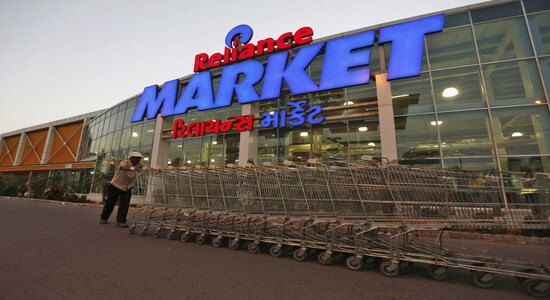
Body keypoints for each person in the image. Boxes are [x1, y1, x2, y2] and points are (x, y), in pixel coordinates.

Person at [100, 151, 144, 227]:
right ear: (131, 158)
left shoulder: (139, 164)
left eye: (139, 158)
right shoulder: (125, 162)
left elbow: (145, 167)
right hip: (116, 185)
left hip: (128, 187)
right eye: (136, 158)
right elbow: (123, 167)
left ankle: (121, 221)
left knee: (125, 204)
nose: (138, 160)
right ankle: (104, 218)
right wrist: (135, 168)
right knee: (110, 203)